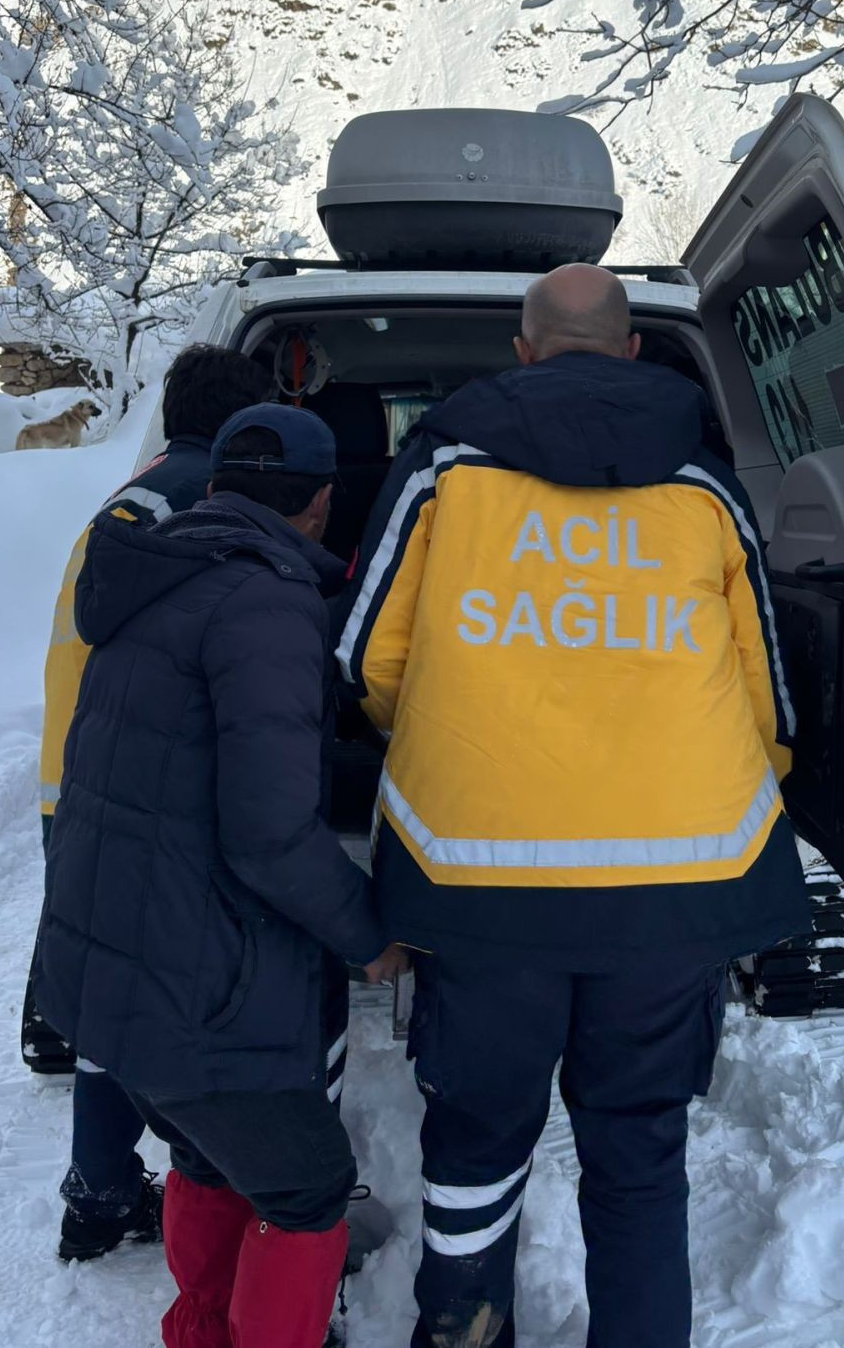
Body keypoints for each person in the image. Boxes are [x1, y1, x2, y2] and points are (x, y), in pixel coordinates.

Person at [337, 264, 812, 1348]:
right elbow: (763, 693)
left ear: (521, 351)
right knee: (638, 1151)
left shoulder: (444, 468)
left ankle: (461, 1327)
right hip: (678, 878)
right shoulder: (704, 484)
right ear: (633, 351)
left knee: (477, 1138)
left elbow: (370, 653)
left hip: (477, 875)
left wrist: (457, 724)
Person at [35, 403, 404, 1348]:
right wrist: (370, 937)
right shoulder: (268, 599)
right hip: (198, 976)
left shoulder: (157, 576)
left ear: (212, 486)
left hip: (114, 956)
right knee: (308, 1189)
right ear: (323, 505)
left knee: (204, 1152)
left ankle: (201, 1326)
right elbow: (271, 833)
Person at [27, 344, 275, 1263]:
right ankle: (194, 1186)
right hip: (139, 792)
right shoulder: (208, 505)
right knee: (176, 996)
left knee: (108, 996)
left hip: (73, 778)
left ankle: (98, 1191)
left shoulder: (131, 498)